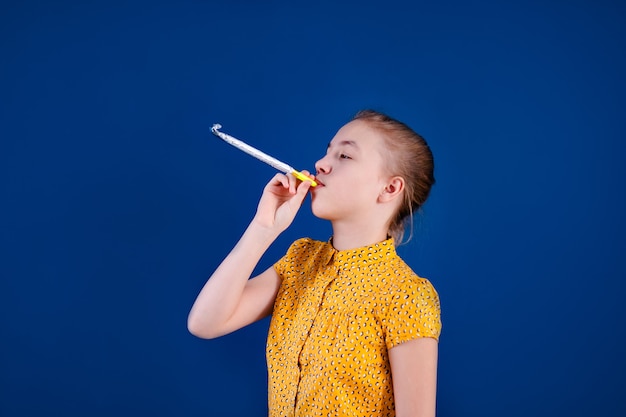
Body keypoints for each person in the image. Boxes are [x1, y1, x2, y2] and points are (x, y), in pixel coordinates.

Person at [188, 110, 442, 417]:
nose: (321, 164)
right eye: (327, 151)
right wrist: (263, 228)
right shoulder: (300, 260)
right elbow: (204, 322)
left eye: (345, 155)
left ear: (389, 189)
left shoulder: (407, 296)